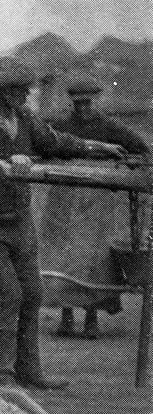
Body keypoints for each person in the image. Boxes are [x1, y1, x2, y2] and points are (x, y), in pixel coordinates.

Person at [0, 56, 125, 388]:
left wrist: (98, 147)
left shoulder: (26, 120)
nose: (28, 97)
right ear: (4, 94)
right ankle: (0, 376)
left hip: (20, 224)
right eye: (22, 92)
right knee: (8, 295)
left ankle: (29, 373)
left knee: (32, 293)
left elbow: (57, 142)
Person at [39, 72, 149, 339]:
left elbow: (140, 147)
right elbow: (44, 147)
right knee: (62, 255)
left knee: (94, 256)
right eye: (79, 104)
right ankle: (65, 315)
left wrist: (133, 161)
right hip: (63, 195)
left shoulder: (109, 126)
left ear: (96, 102)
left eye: (88, 103)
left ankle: (90, 318)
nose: (84, 109)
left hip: (95, 199)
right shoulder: (61, 126)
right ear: (72, 104)